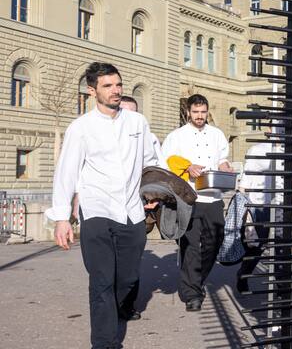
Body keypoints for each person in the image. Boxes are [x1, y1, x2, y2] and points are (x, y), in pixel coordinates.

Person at [46, 62, 159, 349]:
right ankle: (104, 342)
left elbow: (151, 161)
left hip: (132, 211)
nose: (115, 90)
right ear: (91, 90)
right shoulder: (80, 128)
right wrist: (61, 218)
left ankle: (119, 309)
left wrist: (154, 191)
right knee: (101, 280)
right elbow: (66, 173)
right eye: (107, 86)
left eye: (118, 84)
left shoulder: (138, 123)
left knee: (129, 278)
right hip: (96, 210)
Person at [162, 93, 232, 312]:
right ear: (188, 112)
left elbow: (222, 159)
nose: (200, 116)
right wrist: (187, 166)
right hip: (188, 197)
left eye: (203, 112)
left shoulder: (217, 134)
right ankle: (192, 293)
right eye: (196, 112)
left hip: (214, 196)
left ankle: (195, 280)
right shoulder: (177, 136)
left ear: (207, 112)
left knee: (215, 242)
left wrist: (225, 167)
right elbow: (166, 161)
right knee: (191, 246)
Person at [236, 139, 283, 294]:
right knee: (258, 246)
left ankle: (282, 285)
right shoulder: (257, 149)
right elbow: (246, 177)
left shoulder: (288, 148)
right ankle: (243, 274)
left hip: (283, 202)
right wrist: (241, 204)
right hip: (259, 204)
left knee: (281, 246)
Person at [119, 95, 162, 162]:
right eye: (124, 113)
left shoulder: (150, 138)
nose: (128, 117)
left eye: (132, 114)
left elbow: (157, 164)